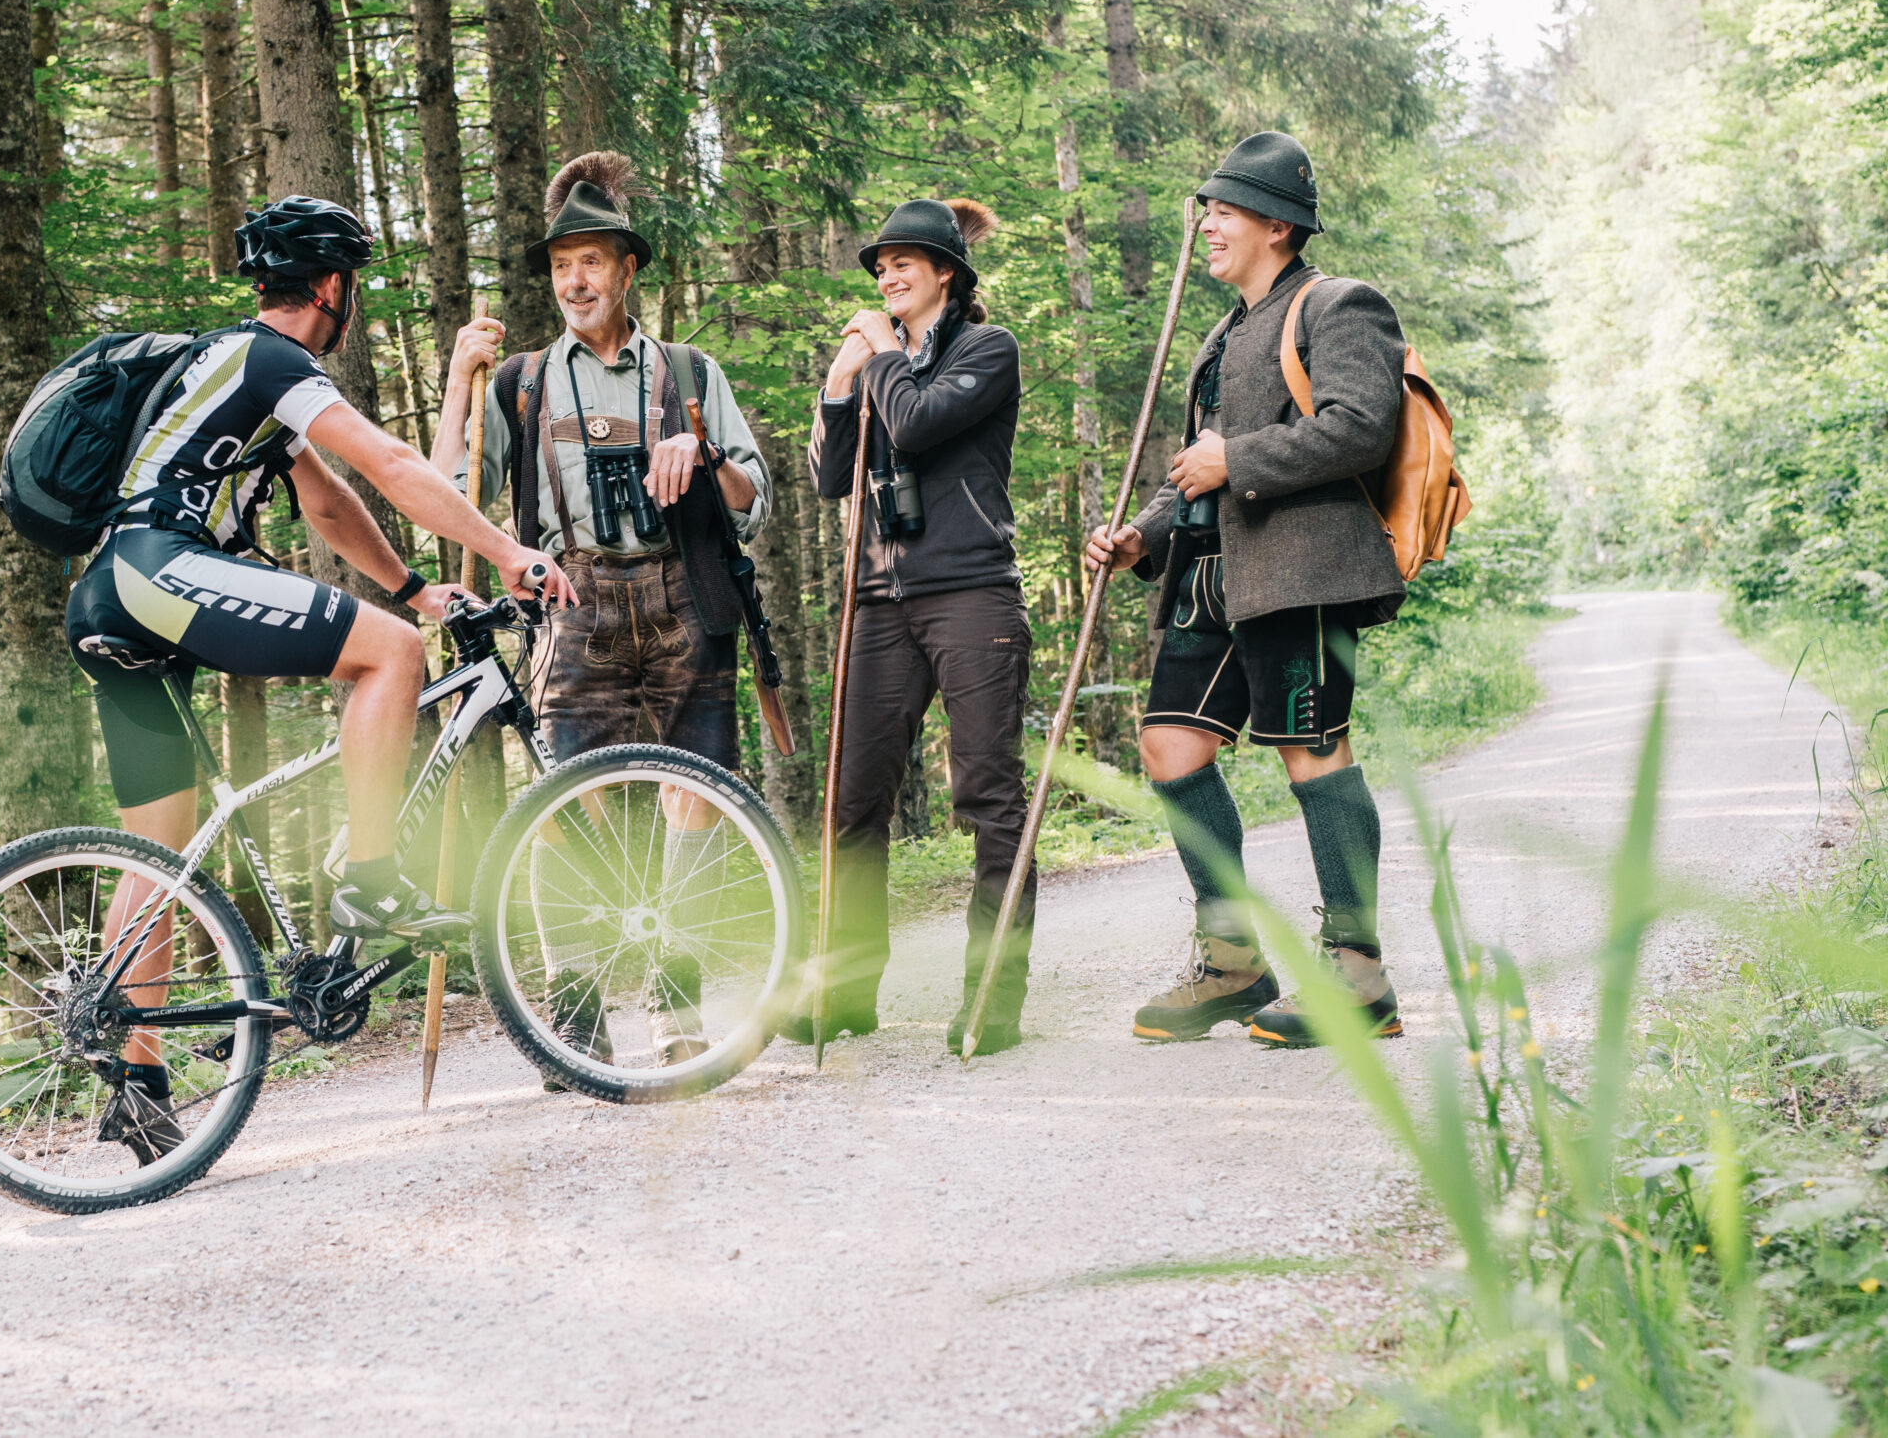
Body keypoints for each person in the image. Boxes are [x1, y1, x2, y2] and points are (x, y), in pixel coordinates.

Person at [66, 195, 569, 1159]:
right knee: (392, 655)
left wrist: (417, 584)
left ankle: (134, 1074)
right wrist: (509, 553)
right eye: (354, 288)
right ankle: (372, 878)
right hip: (155, 570)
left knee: (159, 857)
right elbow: (382, 461)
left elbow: (329, 504)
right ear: (332, 287)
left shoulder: (227, 375)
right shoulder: (270, 359)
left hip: (105, 597)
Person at [430, 151, 771, 1073]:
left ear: (627, 269)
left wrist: (697, 454)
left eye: (592, 261)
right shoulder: (523, 380)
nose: (575, 279)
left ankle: (676, 1006)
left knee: (693, 802)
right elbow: (448, 483)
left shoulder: (691, 372)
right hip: (568, 605)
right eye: (560, 264)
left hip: (679, 596)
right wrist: (461, 381)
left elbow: (755, 493)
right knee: (561, 811)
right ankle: (571, 1022)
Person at [1084, 132, 1408, 1048]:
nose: (1208, 226)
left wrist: (1240, 459)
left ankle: (1358, 972)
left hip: (1302, 572)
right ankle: (1233, 962)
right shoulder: (1221, 335)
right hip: (1209, 580)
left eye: (1223, 210)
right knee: (1169, 747)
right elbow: (1198, 468)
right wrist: (1139, 534)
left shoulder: (1340, 305)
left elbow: (1361, 429)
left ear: (1276, 222)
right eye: (1207, 210)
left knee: (1312, 752)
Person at [805, 198, 1034, 1055]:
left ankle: (991, 1002)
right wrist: (839, 381)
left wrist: (880, 360)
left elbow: (916, 420)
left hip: (972, 592)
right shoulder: (875, 366)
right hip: (879, 604)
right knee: (852, 803)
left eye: (905, 262)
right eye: (880, 266)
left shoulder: (988, 349)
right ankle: (846, 991)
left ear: (947, 272)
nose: (888, 275)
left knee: (989, 799)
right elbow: (835, 477)